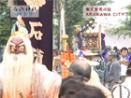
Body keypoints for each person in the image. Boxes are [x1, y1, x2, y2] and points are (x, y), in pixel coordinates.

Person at [0, 31, 62, 98]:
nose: (15, 49)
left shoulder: (38, 71)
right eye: (12, 47)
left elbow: (54, 83)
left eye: (20, 47)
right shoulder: (1, 71)